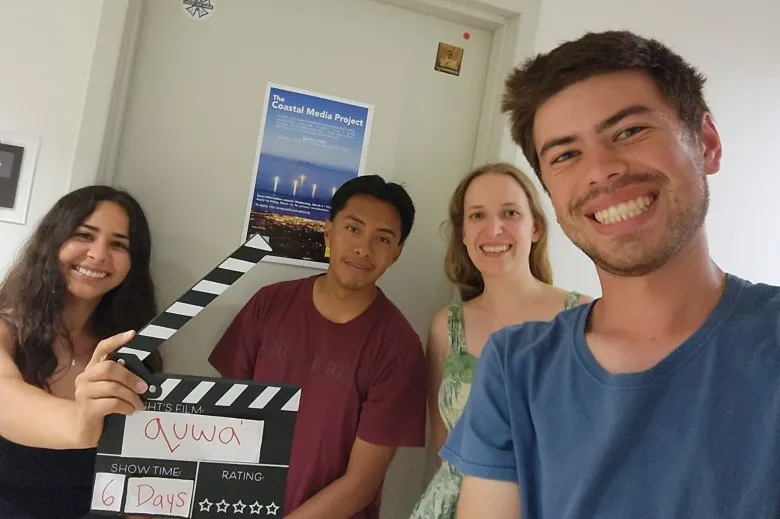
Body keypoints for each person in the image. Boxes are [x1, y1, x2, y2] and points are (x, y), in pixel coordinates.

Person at [440, 30, 780, 518]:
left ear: (706, 142)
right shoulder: (517, 368)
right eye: (565, 155)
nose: (601, 171)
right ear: (552, 199)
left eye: (629, 131)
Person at [208, 174, 427, 519]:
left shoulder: (400, 348)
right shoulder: (269, 304)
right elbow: (224, 424)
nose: (363, 249)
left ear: (397, 253)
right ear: (328, 231)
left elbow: (360, 485)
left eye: (382, 239)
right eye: (353, 229)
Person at [409, 162, 588, 519]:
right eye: (477, 216)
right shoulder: (448, 327)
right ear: (462, 232)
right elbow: (444, 447)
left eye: (510, 213)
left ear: (535, 227)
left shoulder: (581, 318)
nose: (494, 229)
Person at [0, 185, 161, 518]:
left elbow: (132, 472)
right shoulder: (5, 326)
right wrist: (80, 420)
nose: (99, 254)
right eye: (84, 235)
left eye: (118, 244)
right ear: (53, 240)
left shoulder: (131, 351)